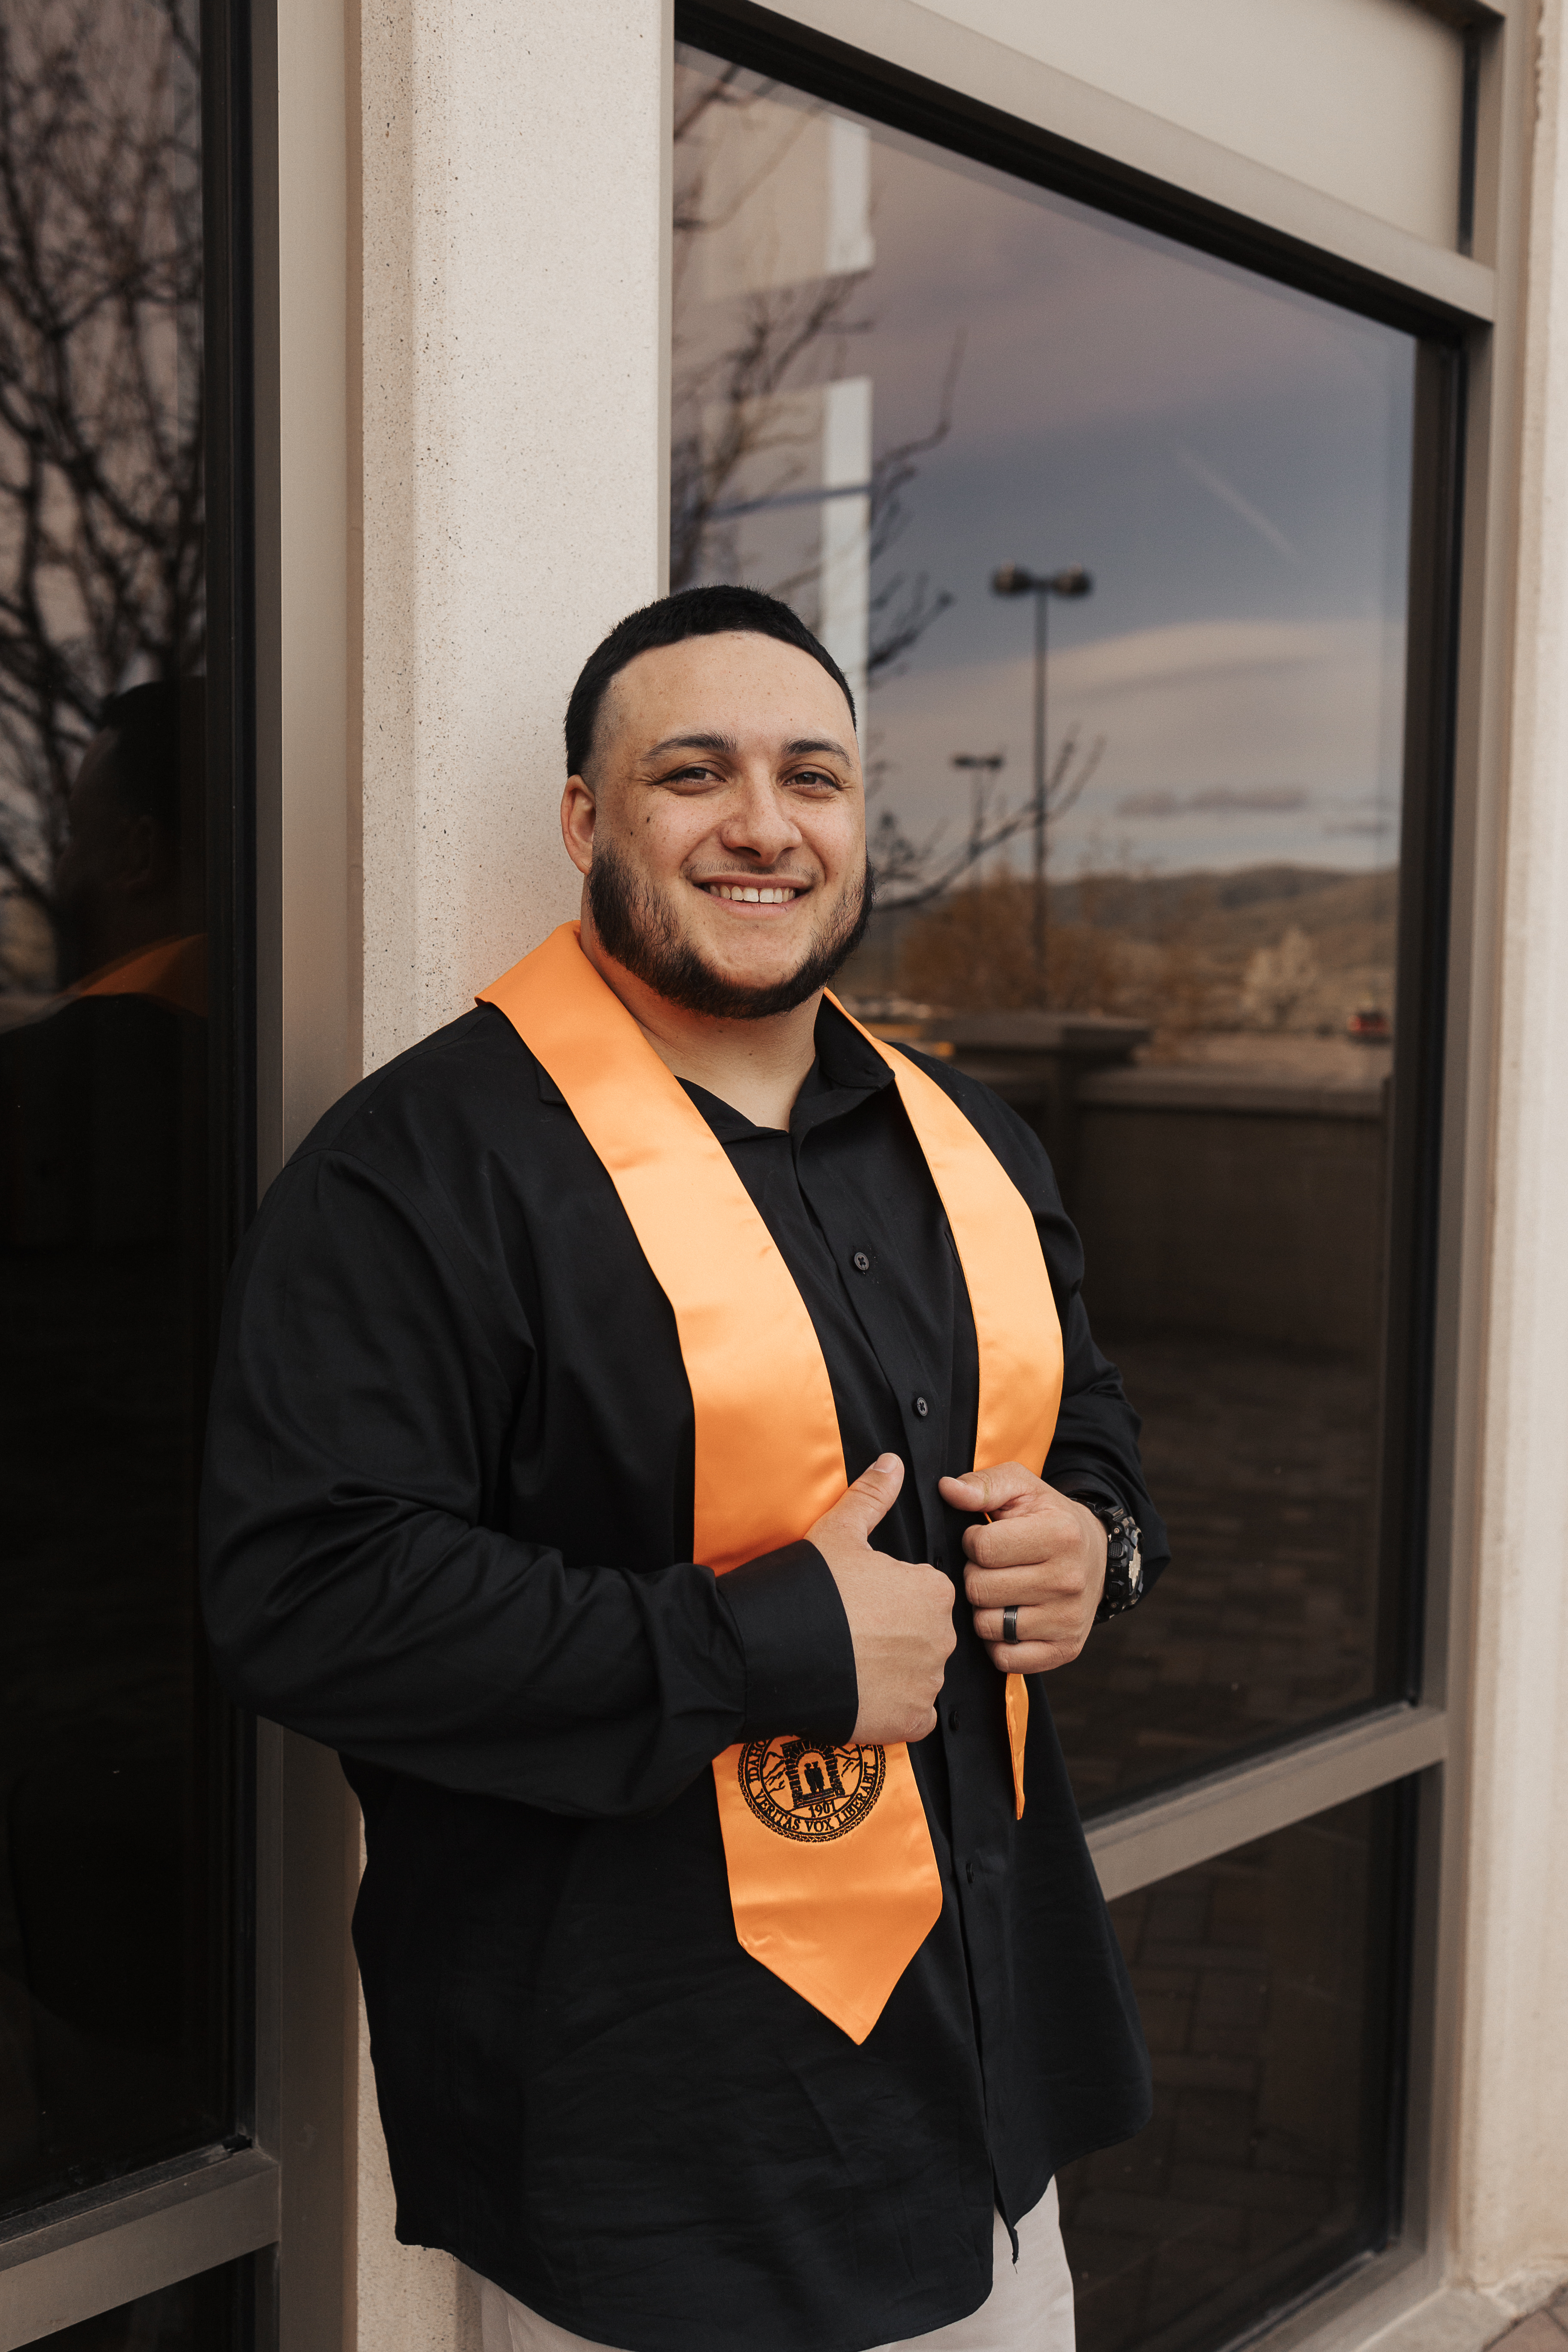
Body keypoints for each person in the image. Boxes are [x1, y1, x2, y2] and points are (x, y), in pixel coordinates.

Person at [200, 587, 1169, 2352]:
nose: (761, 821)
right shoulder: (420, 1173)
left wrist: (1095, 1541)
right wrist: (766, 1644)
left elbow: (1084, 1425)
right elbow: (306, 1597)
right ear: (589, 818)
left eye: (812, 774)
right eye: (692, 771)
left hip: (985, 2087)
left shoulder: (969, 1140)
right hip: (661, 2144)